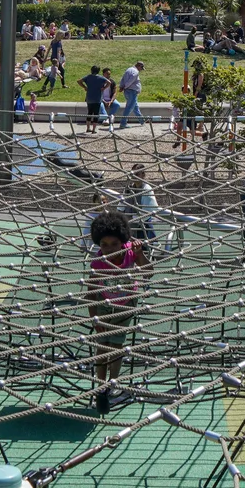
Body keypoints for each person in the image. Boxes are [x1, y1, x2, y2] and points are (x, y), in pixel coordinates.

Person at [85, 210, 149, 413]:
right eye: (104, 245)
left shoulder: (131, 252)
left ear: (122, 241)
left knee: (116, 346)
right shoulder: (98, 263)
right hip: (105, 304)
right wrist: (94, 316)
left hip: (126, 305)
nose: (109, 249)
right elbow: (91, 291)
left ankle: (113, 383)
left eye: (114, 244)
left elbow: (148, 272)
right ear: (98, 245)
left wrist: (140, 254)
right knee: (102, 344)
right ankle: (101, 384)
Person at [123, 165, 159, 241]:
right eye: (132, 174)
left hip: (143, 226)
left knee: (143, 248)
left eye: (136, 174)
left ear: (143, 174)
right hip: (129, 225)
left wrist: (132, 218)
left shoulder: (147, 189)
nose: (133, 177)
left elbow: (149, 210)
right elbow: (121, 204)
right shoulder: (129, 188)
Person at [116, 61, 144, 128]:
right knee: (129, 107)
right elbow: (130, 81)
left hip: (127, 91)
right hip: (132, 91)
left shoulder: (128, 69)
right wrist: (124, 86)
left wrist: (121, 86)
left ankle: (142, 120)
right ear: (139, 66)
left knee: (135, 107)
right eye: (141, 68)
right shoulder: (135, 72)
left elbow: (123, 79)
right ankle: (123, 123)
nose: (141, 70)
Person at [79, 65, 108, 129]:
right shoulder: (101, 78)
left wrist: (85, 87)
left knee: (89, 113)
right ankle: (94, 129)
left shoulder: (88, 77)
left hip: (89, 98)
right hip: (97, 98)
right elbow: (109, 82)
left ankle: (88, 128)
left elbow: (79, 81)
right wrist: (104, 88)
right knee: (96, 114)